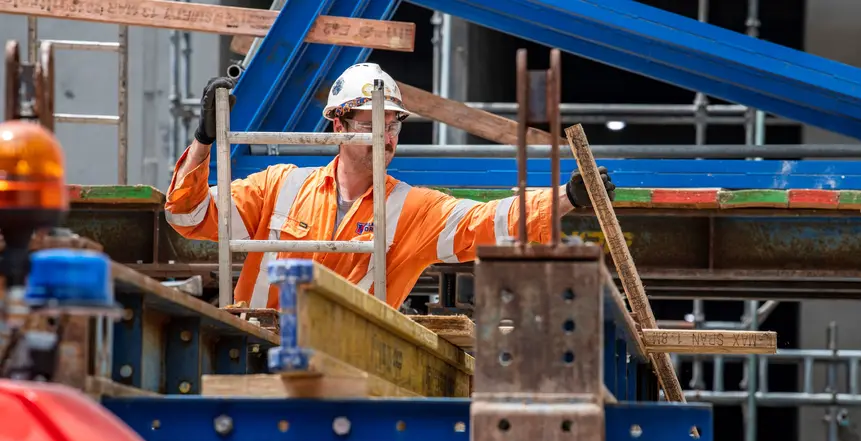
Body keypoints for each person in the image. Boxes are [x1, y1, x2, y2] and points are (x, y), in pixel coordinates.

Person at [164, 63, 615, 311]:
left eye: (394, 124)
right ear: (338, 125)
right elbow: (187, 217)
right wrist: (204, 143)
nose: (387, 136)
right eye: (372, 123)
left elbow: (489, 223)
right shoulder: (279, 187)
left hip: (351, 367)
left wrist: (566, 197)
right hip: (256, 351)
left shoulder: (412, 209)